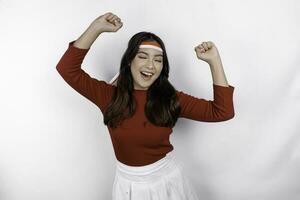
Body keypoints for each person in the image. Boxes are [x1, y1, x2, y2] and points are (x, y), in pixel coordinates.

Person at [56, 12, 235, 200]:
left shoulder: (171, 98)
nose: (151, 65)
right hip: (127, 187)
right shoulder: (108, 95)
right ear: (129, 61)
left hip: (168, 182)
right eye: (143, 56)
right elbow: (67, 68)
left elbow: (222, 111)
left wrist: (214, 61)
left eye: (158, 60)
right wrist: (96, 28)